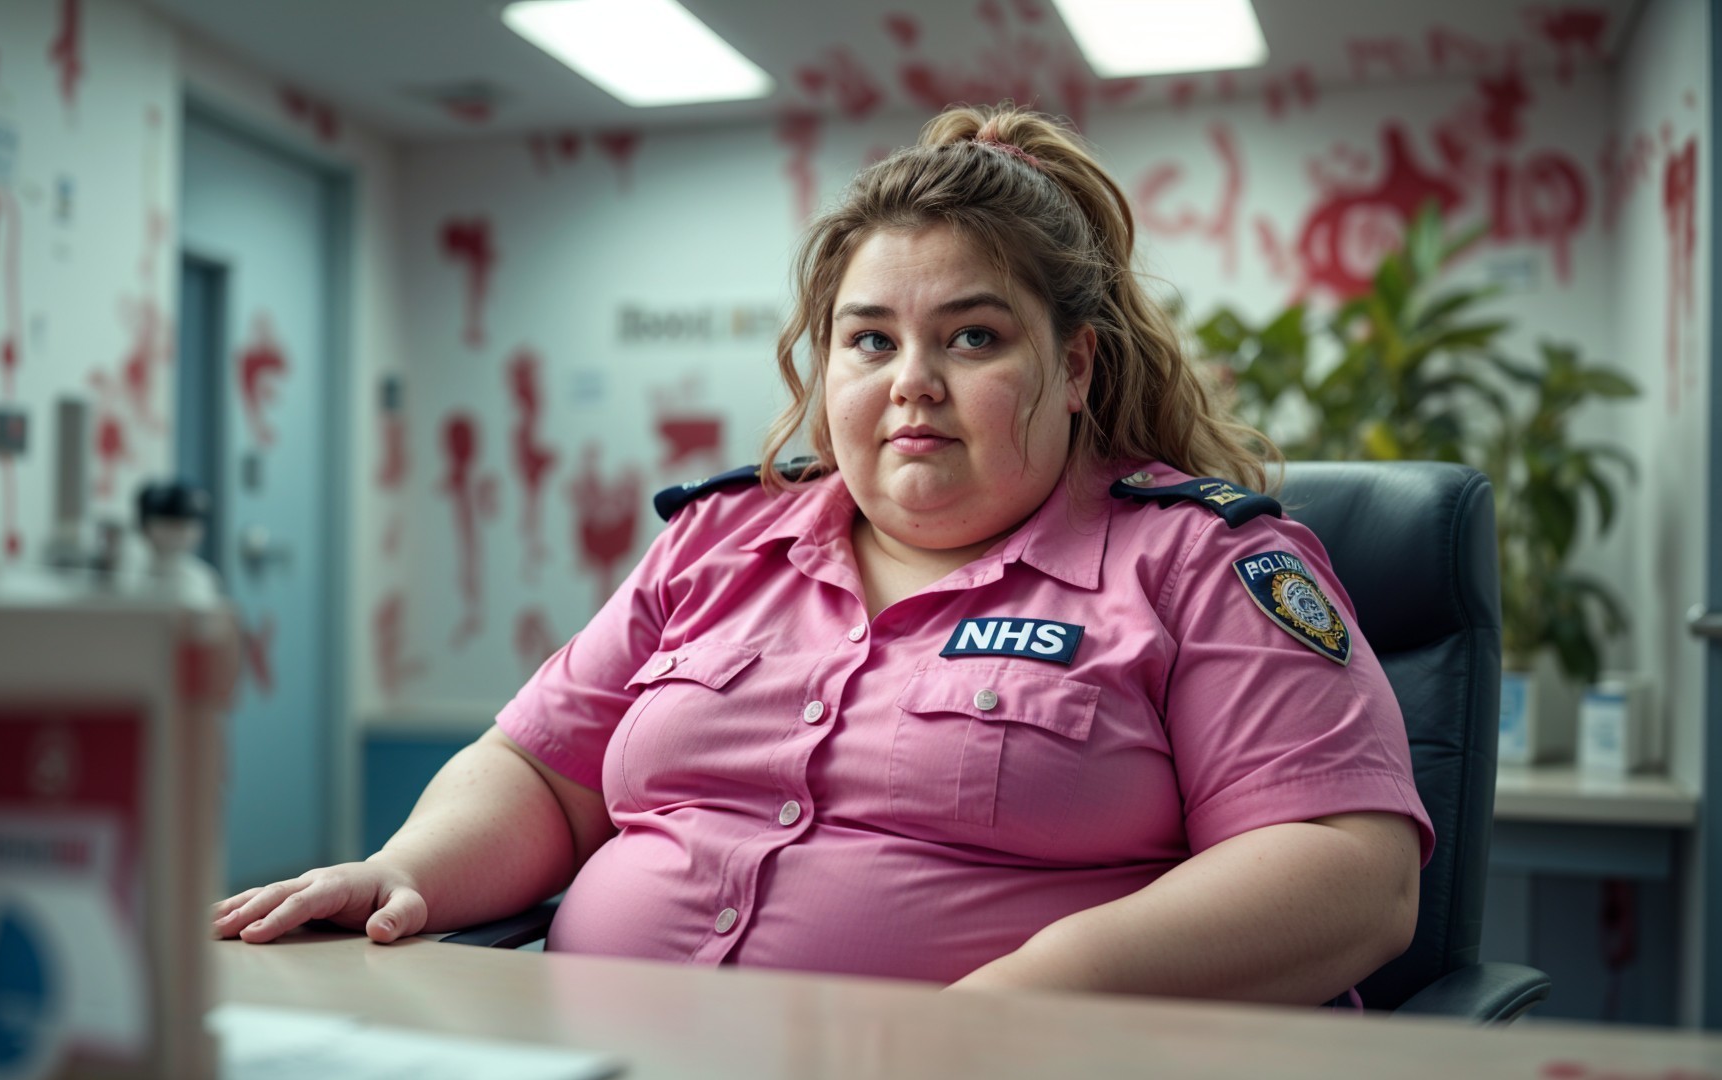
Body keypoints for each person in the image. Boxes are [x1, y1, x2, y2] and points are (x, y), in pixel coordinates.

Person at [213, 104, 1432, 1007]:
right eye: (869, 339)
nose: (913, 385)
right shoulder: (716, 540)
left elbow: (1348, 870)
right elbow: (542, 772)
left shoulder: (1195, 562)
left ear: (1075, 364)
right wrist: (401, 870)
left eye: (972, 335)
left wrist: (1032, 995)